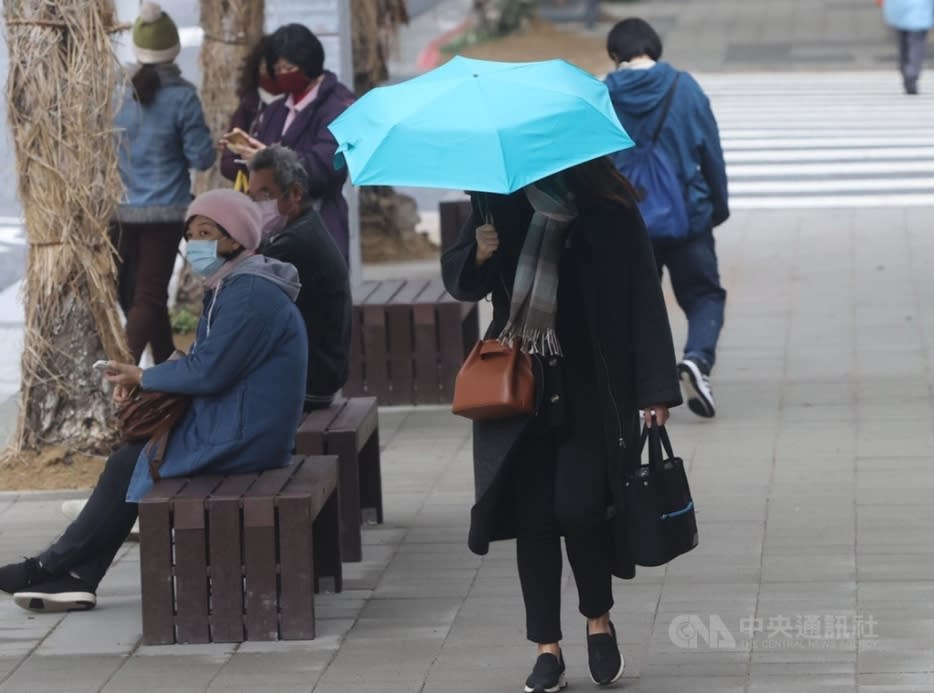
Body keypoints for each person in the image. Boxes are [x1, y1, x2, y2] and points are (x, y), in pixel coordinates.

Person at [0, 190, 307, 612]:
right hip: (239, 419)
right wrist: (147, 379)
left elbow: (209, 371)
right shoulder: (233, 284)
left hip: (246, 433)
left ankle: (49, 566)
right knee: (132, 458)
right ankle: (75, 577)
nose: (195, 244)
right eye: (190, 234)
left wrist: (143, 375)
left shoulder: (248, 292)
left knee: (132, 461)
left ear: (235, 238)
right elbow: (208, 360)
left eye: (207, 233)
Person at [441, 158, 682, 693]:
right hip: (518, 390)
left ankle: (598, 621)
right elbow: (461, 281)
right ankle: (546, 647)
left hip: (594, 389)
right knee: (535, 521)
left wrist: (657, 390)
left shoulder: (608, 208)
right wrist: (478, 252)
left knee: (580, 508)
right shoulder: (496, 202)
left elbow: (644, 297)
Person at [604, 17, 729, 419]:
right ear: (654, 48)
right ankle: (696, 359)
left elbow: (591, 163)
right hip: (687, 216)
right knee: (704, 295)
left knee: (637, 304)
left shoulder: (602, 96)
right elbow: (710, 151)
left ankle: (645, 392)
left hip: (627, 220)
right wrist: (717, 208)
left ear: (615, 54)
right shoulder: (685, 88)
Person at [113, 2, 216, 364]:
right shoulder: (183, 97)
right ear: (173, 50)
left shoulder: (118, 92)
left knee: (134, 298)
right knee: (149, 298)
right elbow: (202, 158)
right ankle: (119, 379)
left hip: (121, 211)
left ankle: (166, 368)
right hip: (166, 213)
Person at [221, 23, 355, 261]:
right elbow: (240, 169)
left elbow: (327, 166)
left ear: (309, 64)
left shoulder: (339, 105)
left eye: (289, 67)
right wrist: (239, 153)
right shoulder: (276, 110)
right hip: (272, 231)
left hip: (319, 225)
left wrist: (271, 160)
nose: (283, 74)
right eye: (278, 68)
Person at [248, 145, 352, 410]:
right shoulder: (305, 227)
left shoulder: (294, 245)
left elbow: (247, 304)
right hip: (320, 374)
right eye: (252, 198)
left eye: (265, 195)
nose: (257, 207)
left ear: (294, 193)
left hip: (308, 383)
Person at [219, 35, 283, 182]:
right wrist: (248, 160)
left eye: (283, 68)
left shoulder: (299, 106)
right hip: (257, 195)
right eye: (265, 67)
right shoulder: (250, 104)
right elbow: (228, 164)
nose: (272, 73)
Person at [882, 0, 934, 94]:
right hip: (920, 12)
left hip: (899, 12)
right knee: (916, 45)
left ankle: (906, 73)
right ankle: (911, 74)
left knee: (903, 46)